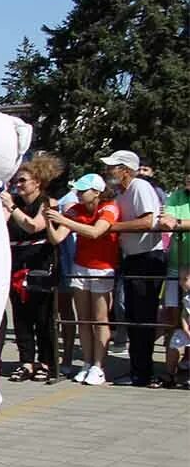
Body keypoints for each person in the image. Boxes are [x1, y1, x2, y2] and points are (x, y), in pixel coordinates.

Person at [101, 151, 169, 387]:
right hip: (131, 258)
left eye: (113, 167)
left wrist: (113, 227)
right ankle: (137, 369)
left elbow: (148, 222)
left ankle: (144, 372)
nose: (109, 172)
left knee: (143, 317)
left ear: (126, 170)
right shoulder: (122, 193)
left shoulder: (139, 187)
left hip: (148, 258)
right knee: (132, 317)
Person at [47, 173, 118, 386]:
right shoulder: (75, 210)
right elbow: (57, 237)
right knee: (83, 319)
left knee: (99, 319)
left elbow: (96, 232)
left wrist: (65, 220)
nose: (77, 194)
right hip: (80, 266)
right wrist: (51, 220)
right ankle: (87, 363)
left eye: (82, 190)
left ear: (96, 192)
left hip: (102, 268)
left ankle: (98, 365)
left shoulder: (109, 207)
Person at [1, 154, 63, 381]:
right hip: (16, 263)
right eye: (16, 181)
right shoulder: (13, 204)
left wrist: (12, 209)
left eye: (23, 181)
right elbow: (0, 221)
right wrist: (6, 206)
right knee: (21, 315)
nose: (18, 185)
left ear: (37, 182)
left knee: (42, 316)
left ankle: (46, 362)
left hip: (40, 263)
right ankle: (26, 361)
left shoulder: (48, 202)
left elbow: (34, 226)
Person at [161, 169, 190, 388]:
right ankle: (169, 371)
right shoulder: (177, 195)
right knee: (172, 316)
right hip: (176, 265)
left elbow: (175, 222)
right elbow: (165, 219)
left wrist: (178, 222)